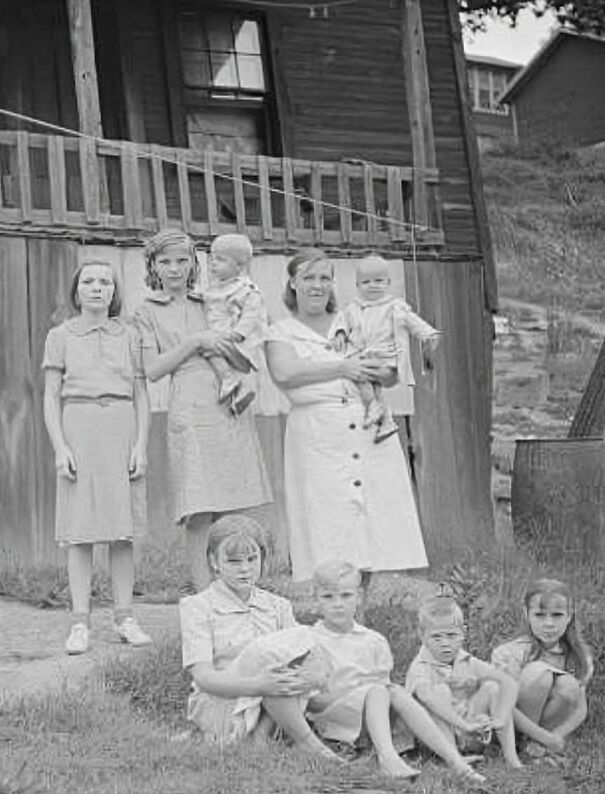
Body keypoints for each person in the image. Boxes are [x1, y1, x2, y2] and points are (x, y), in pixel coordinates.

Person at [227, 560, 485, 783]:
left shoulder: (374, 641)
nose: (338, 604)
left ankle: (454, 759)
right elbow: (312, 703)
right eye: (328, 597)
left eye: (346, 596)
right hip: (335, 718)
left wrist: (371, 691)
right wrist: (357, 690)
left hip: (374, 718)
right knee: (377, 690)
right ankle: (388, 759)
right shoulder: (310, 642)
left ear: (359, 597)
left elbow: (387, 696)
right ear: (316, 599)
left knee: (390, 691)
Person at [264, 247, 428, 582]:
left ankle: (360, 614)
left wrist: (378, 367)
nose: (317, 285)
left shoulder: (352, 320)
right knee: (329, 521)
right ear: (293, 283)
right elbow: (285, 373)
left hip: (368, 424)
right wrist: (343, 366)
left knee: (368, 520)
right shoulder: (280, 331)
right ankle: (332, 611)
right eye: (308, 278)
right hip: (317, 432)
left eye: (325, 278)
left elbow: (389, 372)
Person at [134, 229, 272, 590]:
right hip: (188, 404)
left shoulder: (212, 297)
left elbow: (246, 334)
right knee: (198, 506)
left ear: (194, 263)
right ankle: (202, 593)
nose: (174, 268)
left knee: (230, 504)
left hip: (227, 398)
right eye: (165, 262)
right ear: (153, 266)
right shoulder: (147, 311)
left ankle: (238, 587)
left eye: (182, 260)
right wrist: (196, 340)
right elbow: (152, 369)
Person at [43, 261, 151, 655]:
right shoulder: (61, 336)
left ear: (113, 291)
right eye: (88, 281)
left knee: (122, 532)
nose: (97, 288)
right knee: (80, 530)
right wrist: (60, 447)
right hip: (79, 426)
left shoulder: (130, 334)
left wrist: (140, 445)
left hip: (121, 427)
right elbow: (50, 396)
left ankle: (125, 615)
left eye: (105, 282)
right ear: (76, 290)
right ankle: (79, 621)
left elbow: (141, 393)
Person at [179, 514, 329, 754]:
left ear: (263, 558)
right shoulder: (197, 607)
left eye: (252, 559)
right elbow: (205, 678)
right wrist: (258, 685)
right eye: (234, 561)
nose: (245, 569)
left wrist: (308, 679)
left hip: (274, 695)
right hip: (225, 701)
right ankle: (310, 746)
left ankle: (262, 736)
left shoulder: (278, 606)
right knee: (263, 653)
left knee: (298, 654)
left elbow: (307, 660)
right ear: (214, 561)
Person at [332, 255, 440, 443]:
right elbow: (341, 323)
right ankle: (385, 421)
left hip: (386, 360)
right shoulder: (353, 308)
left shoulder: (394, 307)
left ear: (388, 282)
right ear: (357, 285)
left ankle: (373, 409)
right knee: (368, 383)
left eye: (378, 281)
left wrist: (428, 335)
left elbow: (413, 322)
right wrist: (340, 334)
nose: (372, 285)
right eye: (366, 282)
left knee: (359, 374)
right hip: (365, 357)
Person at [405, 594, 522, 768]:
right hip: (437, 738)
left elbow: (509, 683)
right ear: (422, 636)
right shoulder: (420, 666)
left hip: (469, 732)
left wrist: (501, 719)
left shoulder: (466, 660)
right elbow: (427, 697)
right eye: (437, 637)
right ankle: (453, 758)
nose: (445, 644)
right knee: (440, 691)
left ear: (463, 633)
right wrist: (463, 725)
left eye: (452, 635)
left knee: (493, 687)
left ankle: (511, 758)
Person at [491, 578, 593, 761]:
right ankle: (523, 743)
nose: (548, 624)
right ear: (526, 614)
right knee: (540, 673)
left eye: (557, 615)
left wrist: (557, 736)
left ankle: (536, 747)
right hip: (509, 725)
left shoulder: (579, 657)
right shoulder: (508, 653)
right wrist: (544, 737)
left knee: (569, 686)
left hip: (549, 731)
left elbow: (580, 708)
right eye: (539, 615)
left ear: (569, 616)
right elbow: (503, 705)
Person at [191, 233, 266, 416]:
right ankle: (234, 385)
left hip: (237, 341)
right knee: (207, 350)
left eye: (221, 260)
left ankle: (240, 381)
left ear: (239, 266)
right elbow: (207, 298)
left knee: (212, 348)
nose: (213, 264)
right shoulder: (216, 287)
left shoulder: (246, 290)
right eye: (212, 258)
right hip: (219, 336)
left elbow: (251, 314)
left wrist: (239, 332)